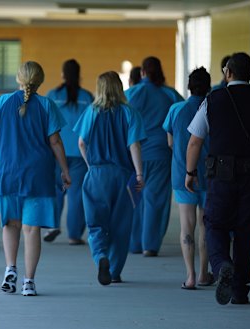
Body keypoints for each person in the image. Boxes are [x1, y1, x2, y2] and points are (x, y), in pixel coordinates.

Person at [185, 52, 250, 305]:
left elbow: (195, 141)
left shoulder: (213, 100)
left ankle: (222, 268)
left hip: (221, 176)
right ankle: (240, 290)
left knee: (215, 224)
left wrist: (189, 172)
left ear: (227, 73)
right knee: (246, 230)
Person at [0, 61, 71, 296]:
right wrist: (64, 170)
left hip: (7, 172)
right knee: (31, 229)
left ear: (18, 79)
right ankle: (29, 282)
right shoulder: (47, 105)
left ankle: (10, 269)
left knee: (10, 224)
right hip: (37, 175)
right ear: (40, 81)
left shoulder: (1, 102)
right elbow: (55, 142)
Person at [74, 71, 146, 285]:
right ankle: (114, 271)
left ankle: (101, 257)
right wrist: (139, 173)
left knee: (96, 224)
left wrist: (91, 165)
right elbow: (135, 144)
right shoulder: (129, 113)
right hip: (123, 176)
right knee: (121, 227)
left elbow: (81, 143)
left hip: (96, 174)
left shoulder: (91, 111)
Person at [126, 56, 184, 257]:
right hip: (161, 154)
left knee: (135, 198)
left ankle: (133, 243)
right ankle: (149, 245)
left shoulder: (131, 93)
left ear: (142, 72)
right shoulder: (171, 95)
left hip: (134, 155)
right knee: (155, 199)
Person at [162, 67, 213, 289]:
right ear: (209, 87)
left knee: (187, 226)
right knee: (206, 225)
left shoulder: (175, 109)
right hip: (209, 175)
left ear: (188, 87)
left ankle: (190, 276)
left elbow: (171, 144)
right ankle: (204, 274)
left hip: (182, 173)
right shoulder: (213, 109)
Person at [44, 59, 94, 245]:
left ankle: (52, 225)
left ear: (62, 75)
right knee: (76, 194)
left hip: (56, 151)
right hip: (81, 153)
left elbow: (45, 125)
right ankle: (74, 235)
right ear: (79, 75)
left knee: (56, 191)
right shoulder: (87, 97)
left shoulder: (52, 96)